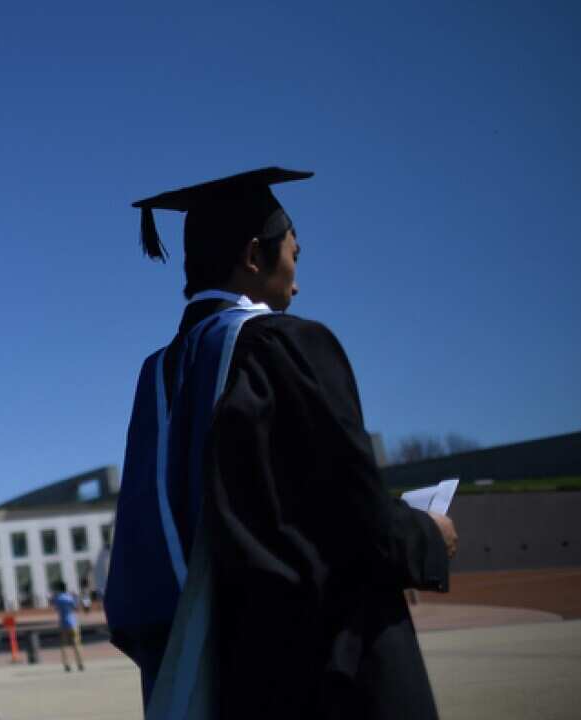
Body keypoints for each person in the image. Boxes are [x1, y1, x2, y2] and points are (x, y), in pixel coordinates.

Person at [106, 168, 458, 719]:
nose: (297, 266)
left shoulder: (160, 377)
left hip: (212, 671)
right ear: (254, 255)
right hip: (315, 669)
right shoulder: (287, 347)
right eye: (294, 248)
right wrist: (426, 536)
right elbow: (349, 516)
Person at [50, 581, 85, 672]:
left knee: (64, 645)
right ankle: (80, 664)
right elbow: (76, 607)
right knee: (76, 644)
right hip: (72, 623)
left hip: (62, 623)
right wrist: (75, 597)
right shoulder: (69, 598)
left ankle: (67, 665)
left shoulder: (58, 598)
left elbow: (55, 607)